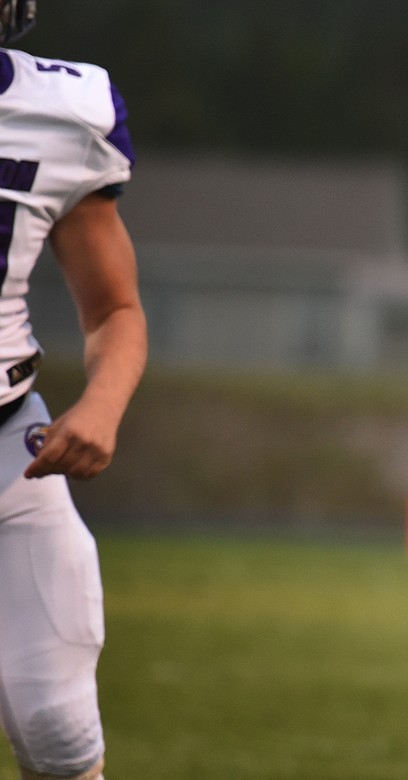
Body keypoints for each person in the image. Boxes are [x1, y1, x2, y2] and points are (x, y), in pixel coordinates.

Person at [0, 1, 147, 777]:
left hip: (8, 449)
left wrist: (101, 404)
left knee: (58, 727)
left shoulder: (60, 114)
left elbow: (115, 309)